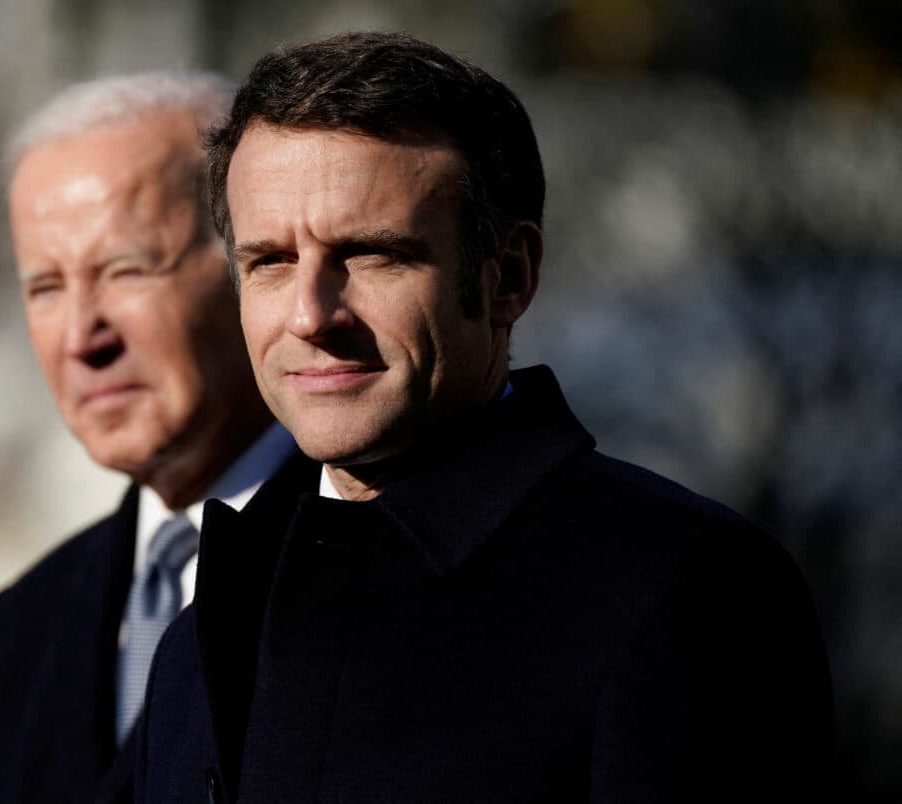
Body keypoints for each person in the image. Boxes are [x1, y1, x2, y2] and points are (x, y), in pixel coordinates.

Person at [135, 33, 833, 803]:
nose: (309, 314)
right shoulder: (205, 626)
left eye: (371, 254)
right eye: (270, 261)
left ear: (510, 277)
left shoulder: (682, 592)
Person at [0, 72, 295, 804]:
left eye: (126, 270)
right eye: (45, 288)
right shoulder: (19, 633)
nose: (81, 337)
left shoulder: (380, 567)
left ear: (256, 267)